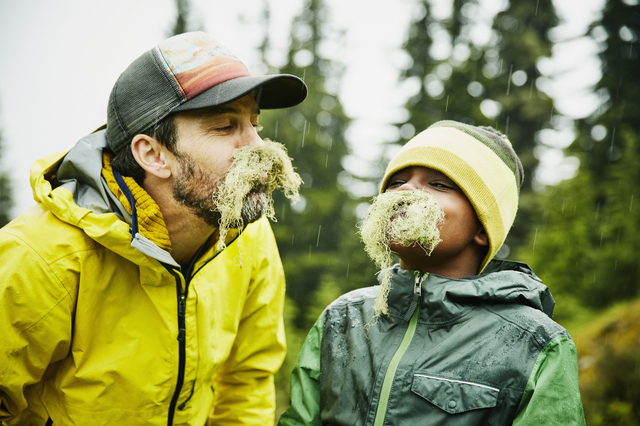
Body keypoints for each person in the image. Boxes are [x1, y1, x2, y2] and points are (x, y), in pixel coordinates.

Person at [0, 31, 307, 425]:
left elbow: (246, 384)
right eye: (225, 127)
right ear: (153, 154)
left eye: (254, 123)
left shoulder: (249, 239)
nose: (259, 147)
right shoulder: (39, 257)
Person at [278, 121, 586, 425]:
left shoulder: (537, 343)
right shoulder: (342, 318)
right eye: (396, 182)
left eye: (439, 184)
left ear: (482, 228)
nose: (407, 191)